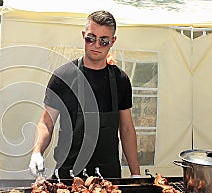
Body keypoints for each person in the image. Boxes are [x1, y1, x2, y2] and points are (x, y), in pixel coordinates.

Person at [29, 10, 140, 179]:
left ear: (113, 41)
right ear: (83, 35)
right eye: (91, 38)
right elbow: (46, 123)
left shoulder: (121, 80)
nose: (96, 45)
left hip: (108, 178)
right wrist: (37, 151)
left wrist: (136, 174)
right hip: (68, 175)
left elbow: (126, 129)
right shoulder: (63, 76)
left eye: (104, 40)